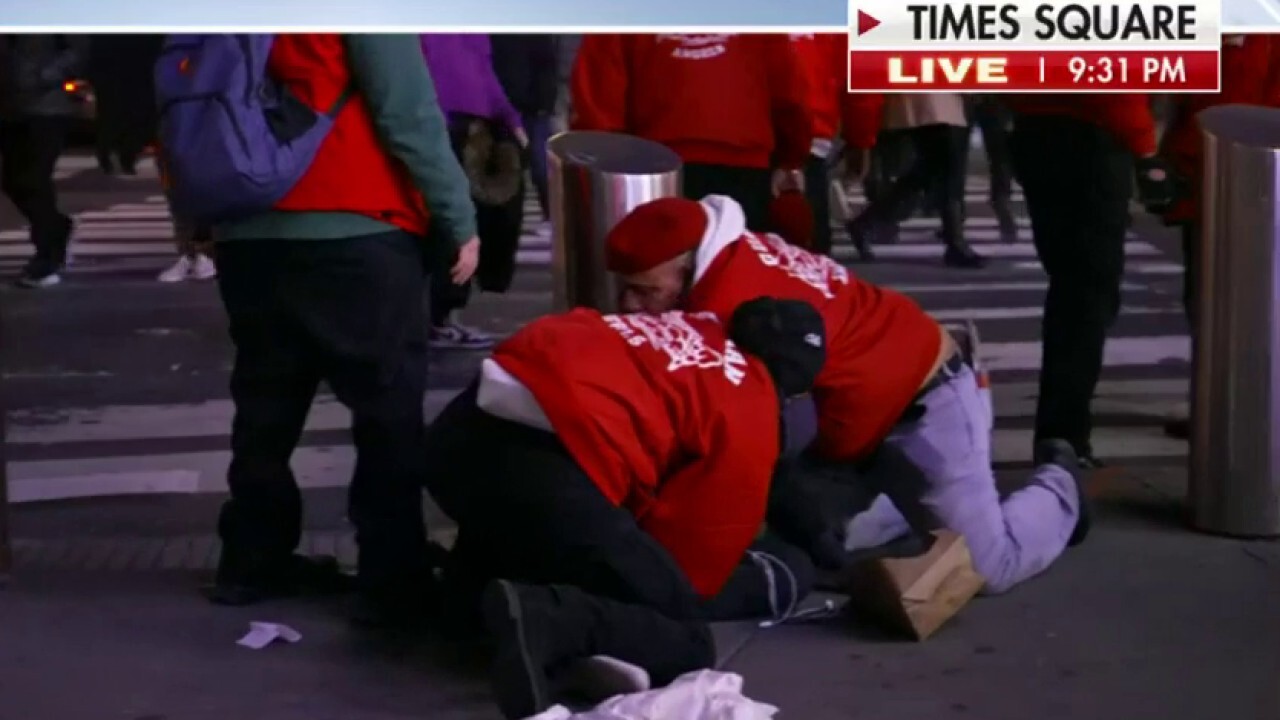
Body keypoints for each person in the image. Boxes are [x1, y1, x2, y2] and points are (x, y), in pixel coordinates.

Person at [604, 195, 1092, 593]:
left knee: (986, 566)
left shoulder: (728, 307)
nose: (630, 306)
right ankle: (908, 506)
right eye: (625, 289)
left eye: (646, 291)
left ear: (689, 267)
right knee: (818, 545)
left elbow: (747, 437)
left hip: (926, 401)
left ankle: (1059, 486)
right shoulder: (729, 254)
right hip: (857, 426)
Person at [424, 299, 828, 718]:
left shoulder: (687, 324)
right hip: (547, 476)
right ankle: (546, 618)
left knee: (545, 520)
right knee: (686, 637)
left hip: (453, 439)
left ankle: (467, 602)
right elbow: (693, 560)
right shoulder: (749, 407)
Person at [199, 34, 480, 628]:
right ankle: (392, 572)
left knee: (265, 408)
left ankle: (251, 560)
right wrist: (458, 216)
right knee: (386, 409)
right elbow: (407, 111)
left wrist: (202, 214)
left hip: (248, 229)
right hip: (356, 224)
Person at [1004, 93, 1177, 467]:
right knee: (1087, 293)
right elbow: (1113, 79)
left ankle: (1060, 430)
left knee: (1071, 285)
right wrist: (1146, 151)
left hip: (1034, 130)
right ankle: (1064, 434)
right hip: (1088, 139)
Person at [1157, 34, 1280, 439]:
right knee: (1211, 295)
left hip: (1239, 168)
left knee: (1227, 295)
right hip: (1213, 169)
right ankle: (1219, 399)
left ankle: (1231, 403)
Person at [570, 33, 811, 230]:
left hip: (655, 170)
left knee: (663, 269)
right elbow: (788, 92)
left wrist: (603, 173)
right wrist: (791, 157)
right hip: (743, 162)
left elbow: (598, 98)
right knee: (738, 266)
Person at [420, 34, 529, 350]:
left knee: (472, 222)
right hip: (439, 124)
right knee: (444, 225)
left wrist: (509, 118)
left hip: (473, 128)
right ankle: (435, 315)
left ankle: (444, 313)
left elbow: (483, 69)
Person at [846, 94, 986, 268]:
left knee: (930, 171)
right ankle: (955, 241)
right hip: (932, 98)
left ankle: (866, 221)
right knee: (943, 168)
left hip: (934, 98)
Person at [0, 34, 87, 288]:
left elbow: (79, 50)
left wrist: (43, 74)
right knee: (13, 180)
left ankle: (48, 255)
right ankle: (57, 229)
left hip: (48, 107)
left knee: (34, 178)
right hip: (9, 107)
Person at [490, 34, 560, 226]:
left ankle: (552, 218)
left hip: (533, 110)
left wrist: (545, 102)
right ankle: (511, 223)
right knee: (508, 169)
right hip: (503, 108)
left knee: (541, 167)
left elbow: (546, 62)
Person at [86, 34, 163, 175]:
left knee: (114, 116)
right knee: (128, 117)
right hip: (132, 74)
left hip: (118, 74)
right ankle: (121, 156)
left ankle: (114, 155)